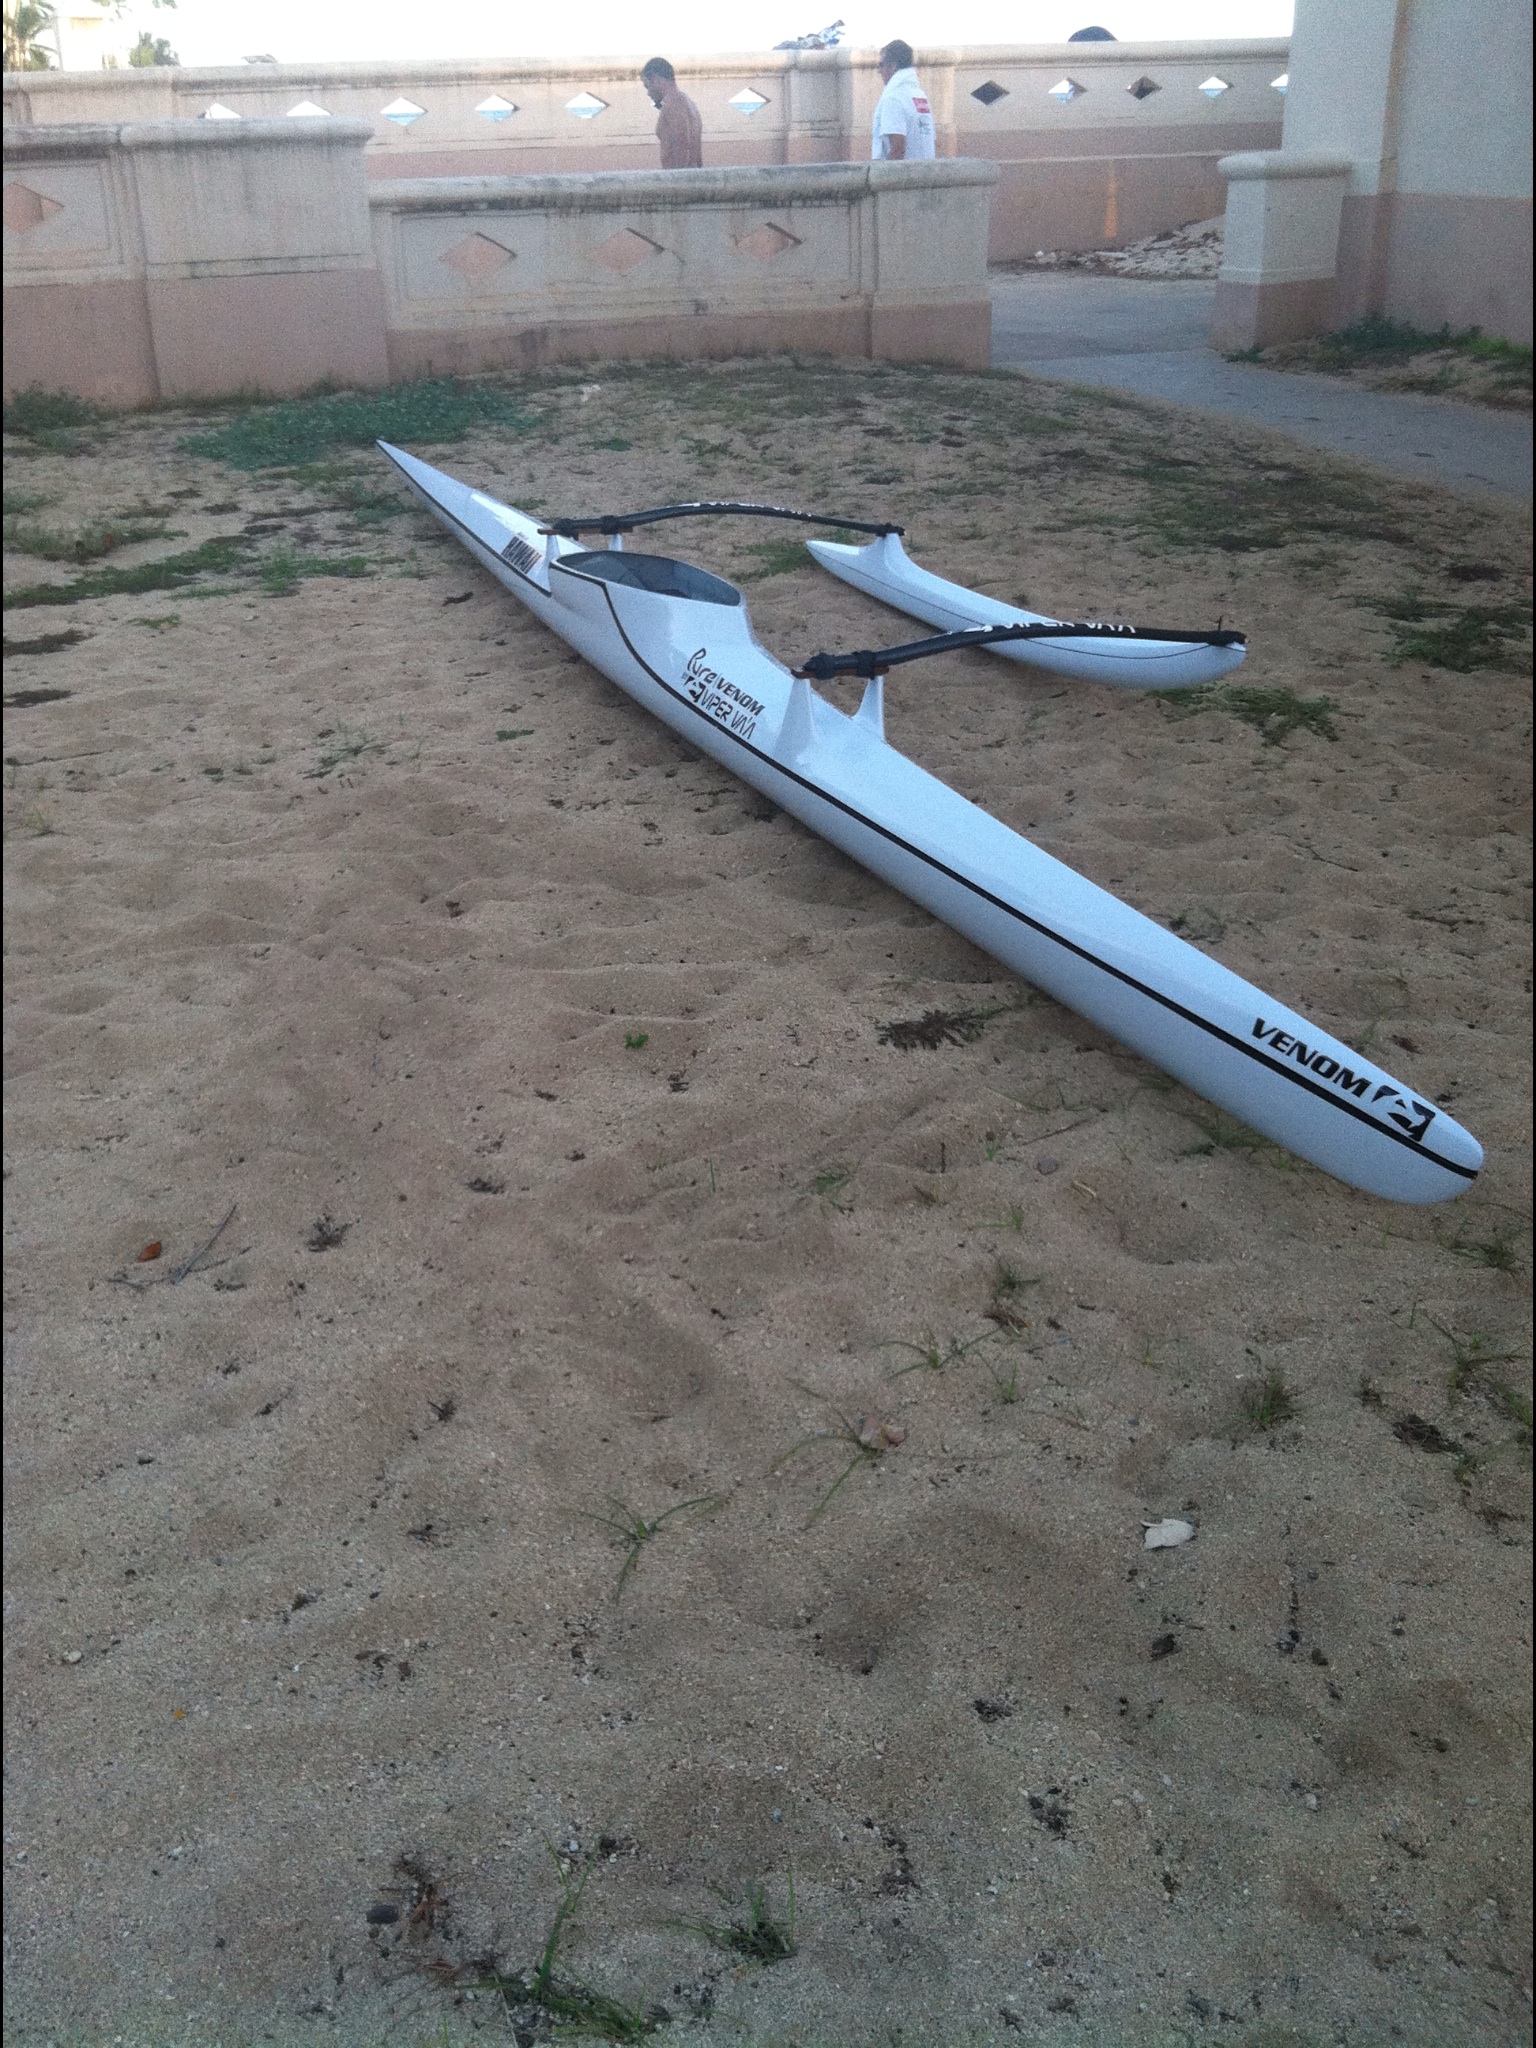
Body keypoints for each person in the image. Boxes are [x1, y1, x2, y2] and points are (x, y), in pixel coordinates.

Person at [870, 40, 935, 162]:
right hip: (926, 169)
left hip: (905, 173)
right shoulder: (919, 95)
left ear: (892, 66)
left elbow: (898, 149)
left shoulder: (893, 98)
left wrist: (882, 172)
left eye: (881, 65)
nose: (879, 70)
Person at [640, 57, 703, 170]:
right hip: (695, 176)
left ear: (655, 78)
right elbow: (697, 157)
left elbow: (683, 145)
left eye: (647, 86)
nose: (648, 93)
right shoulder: (689, 103)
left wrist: (676, 178)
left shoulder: (671, 106)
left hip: (678, 178)